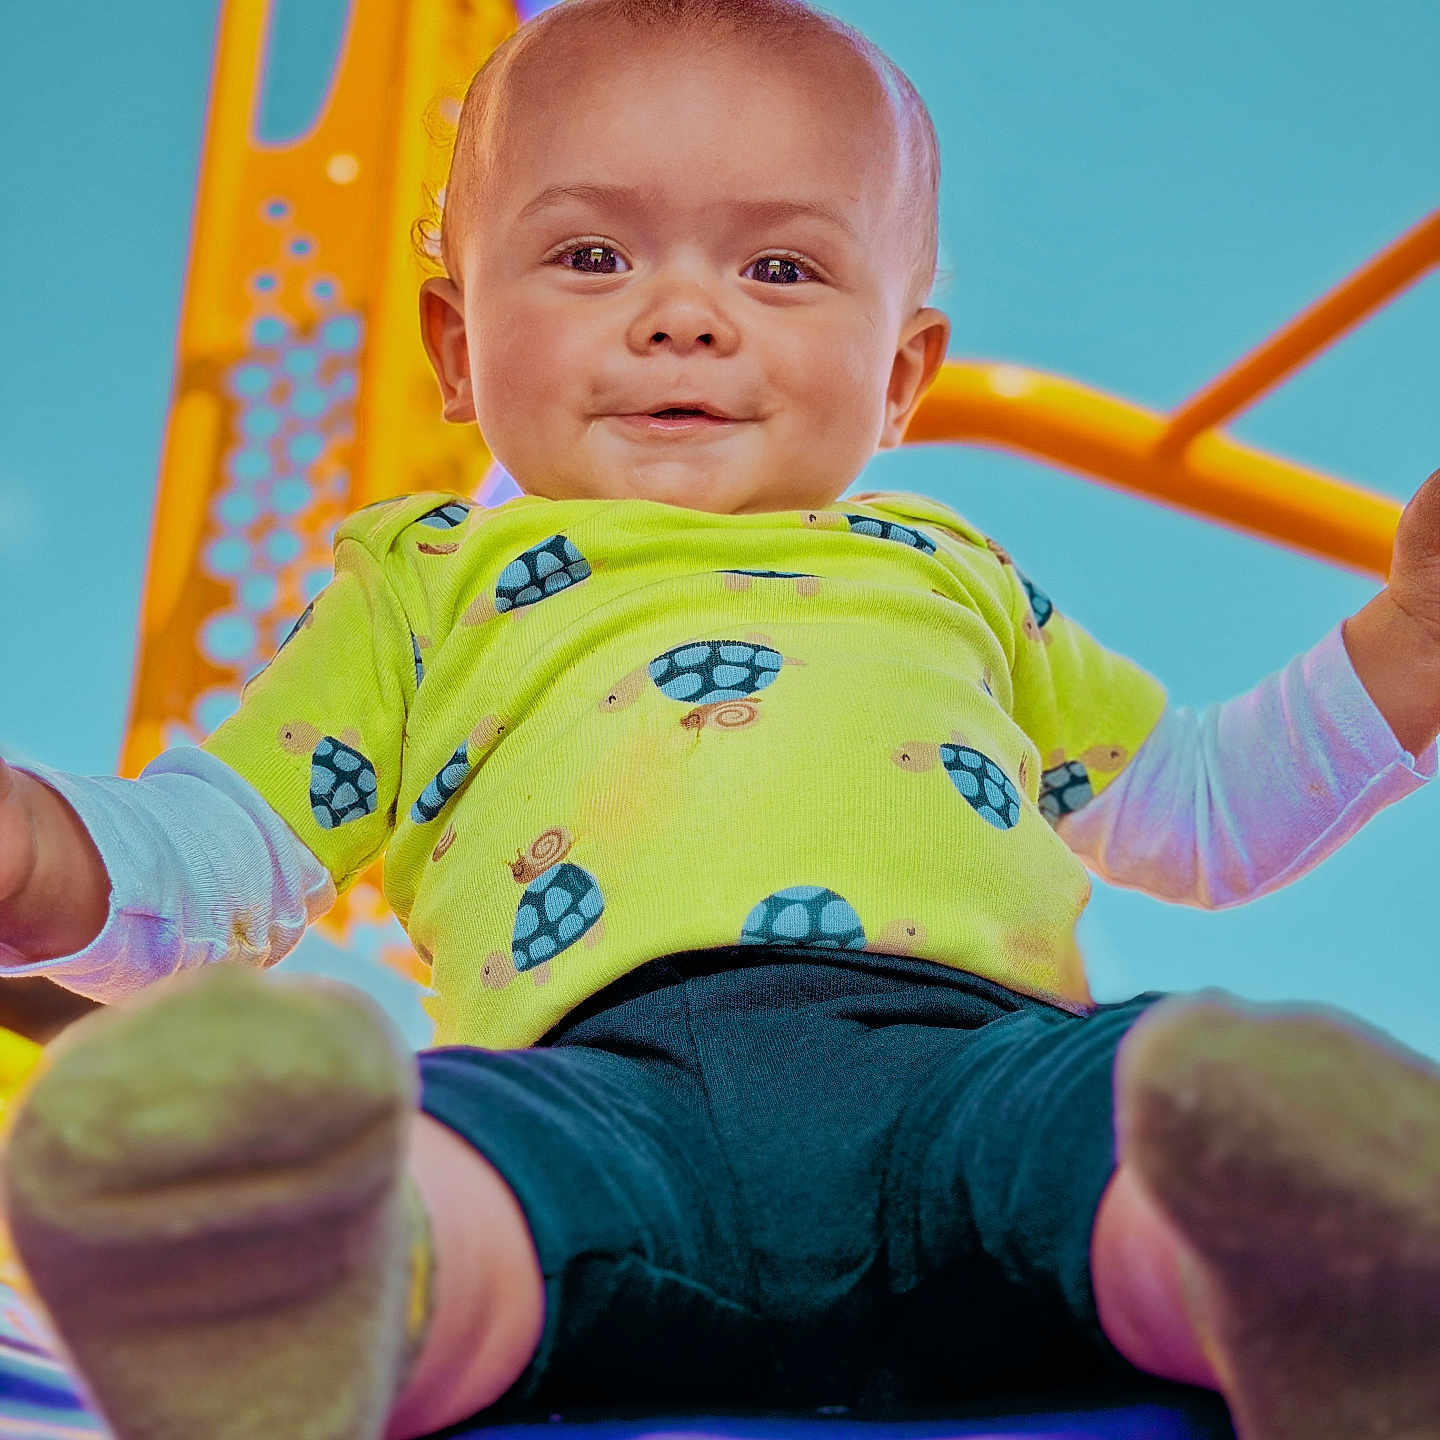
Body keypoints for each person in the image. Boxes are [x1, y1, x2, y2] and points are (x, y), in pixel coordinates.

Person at [3, 1, 1440, 1436]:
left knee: (1140, 1128)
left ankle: (1316, 1259)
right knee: (456, 1171)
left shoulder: (958, 582)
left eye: (780, 264)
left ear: (897, 377)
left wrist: (1408, 645)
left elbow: (1197, 805)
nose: (683, 312)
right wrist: (45, 853)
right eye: (590, 255)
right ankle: (300, 1283)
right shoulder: (427, 587)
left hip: (977, 1078)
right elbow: (233, 839)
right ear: (456, 345)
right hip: (603, 1090)